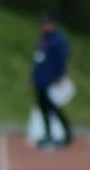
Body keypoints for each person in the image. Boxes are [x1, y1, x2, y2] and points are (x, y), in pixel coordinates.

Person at [30, 13, 73, 148]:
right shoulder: (43, 39)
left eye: (46, 23)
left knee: (54, 107)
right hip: (41, 79)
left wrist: (59, 75)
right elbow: (38, 58)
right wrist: (34, 75)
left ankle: (67, 133)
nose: (43, 26)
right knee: (43, 108)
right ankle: (48, 134)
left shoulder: (58, 40)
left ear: (53, 24)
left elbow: (61, 60)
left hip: (51, 79)